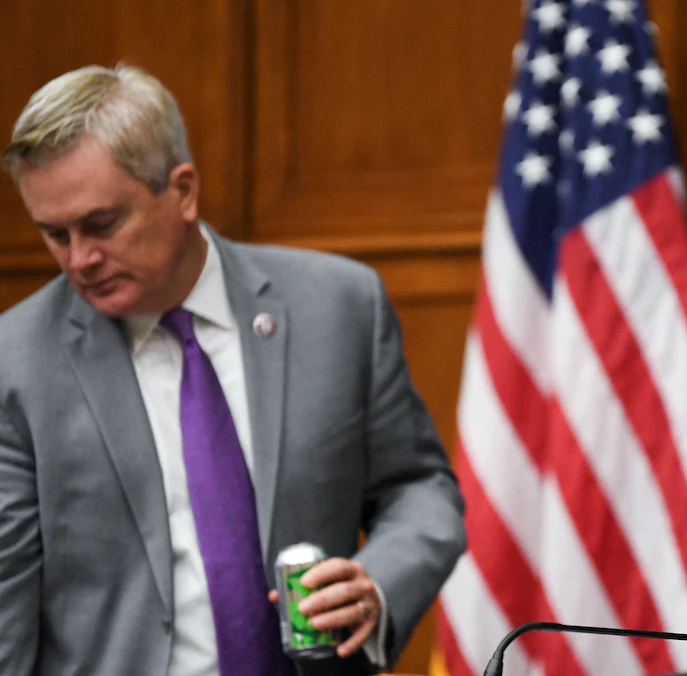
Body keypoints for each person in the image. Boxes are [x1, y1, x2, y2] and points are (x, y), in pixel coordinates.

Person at [0, 65, 466, 675]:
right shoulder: (18, 363)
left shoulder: (338, 307)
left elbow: (419, 488)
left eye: (102, 224)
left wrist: (378, 585)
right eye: (55, 235)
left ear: (183, 191)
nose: (80, 258)